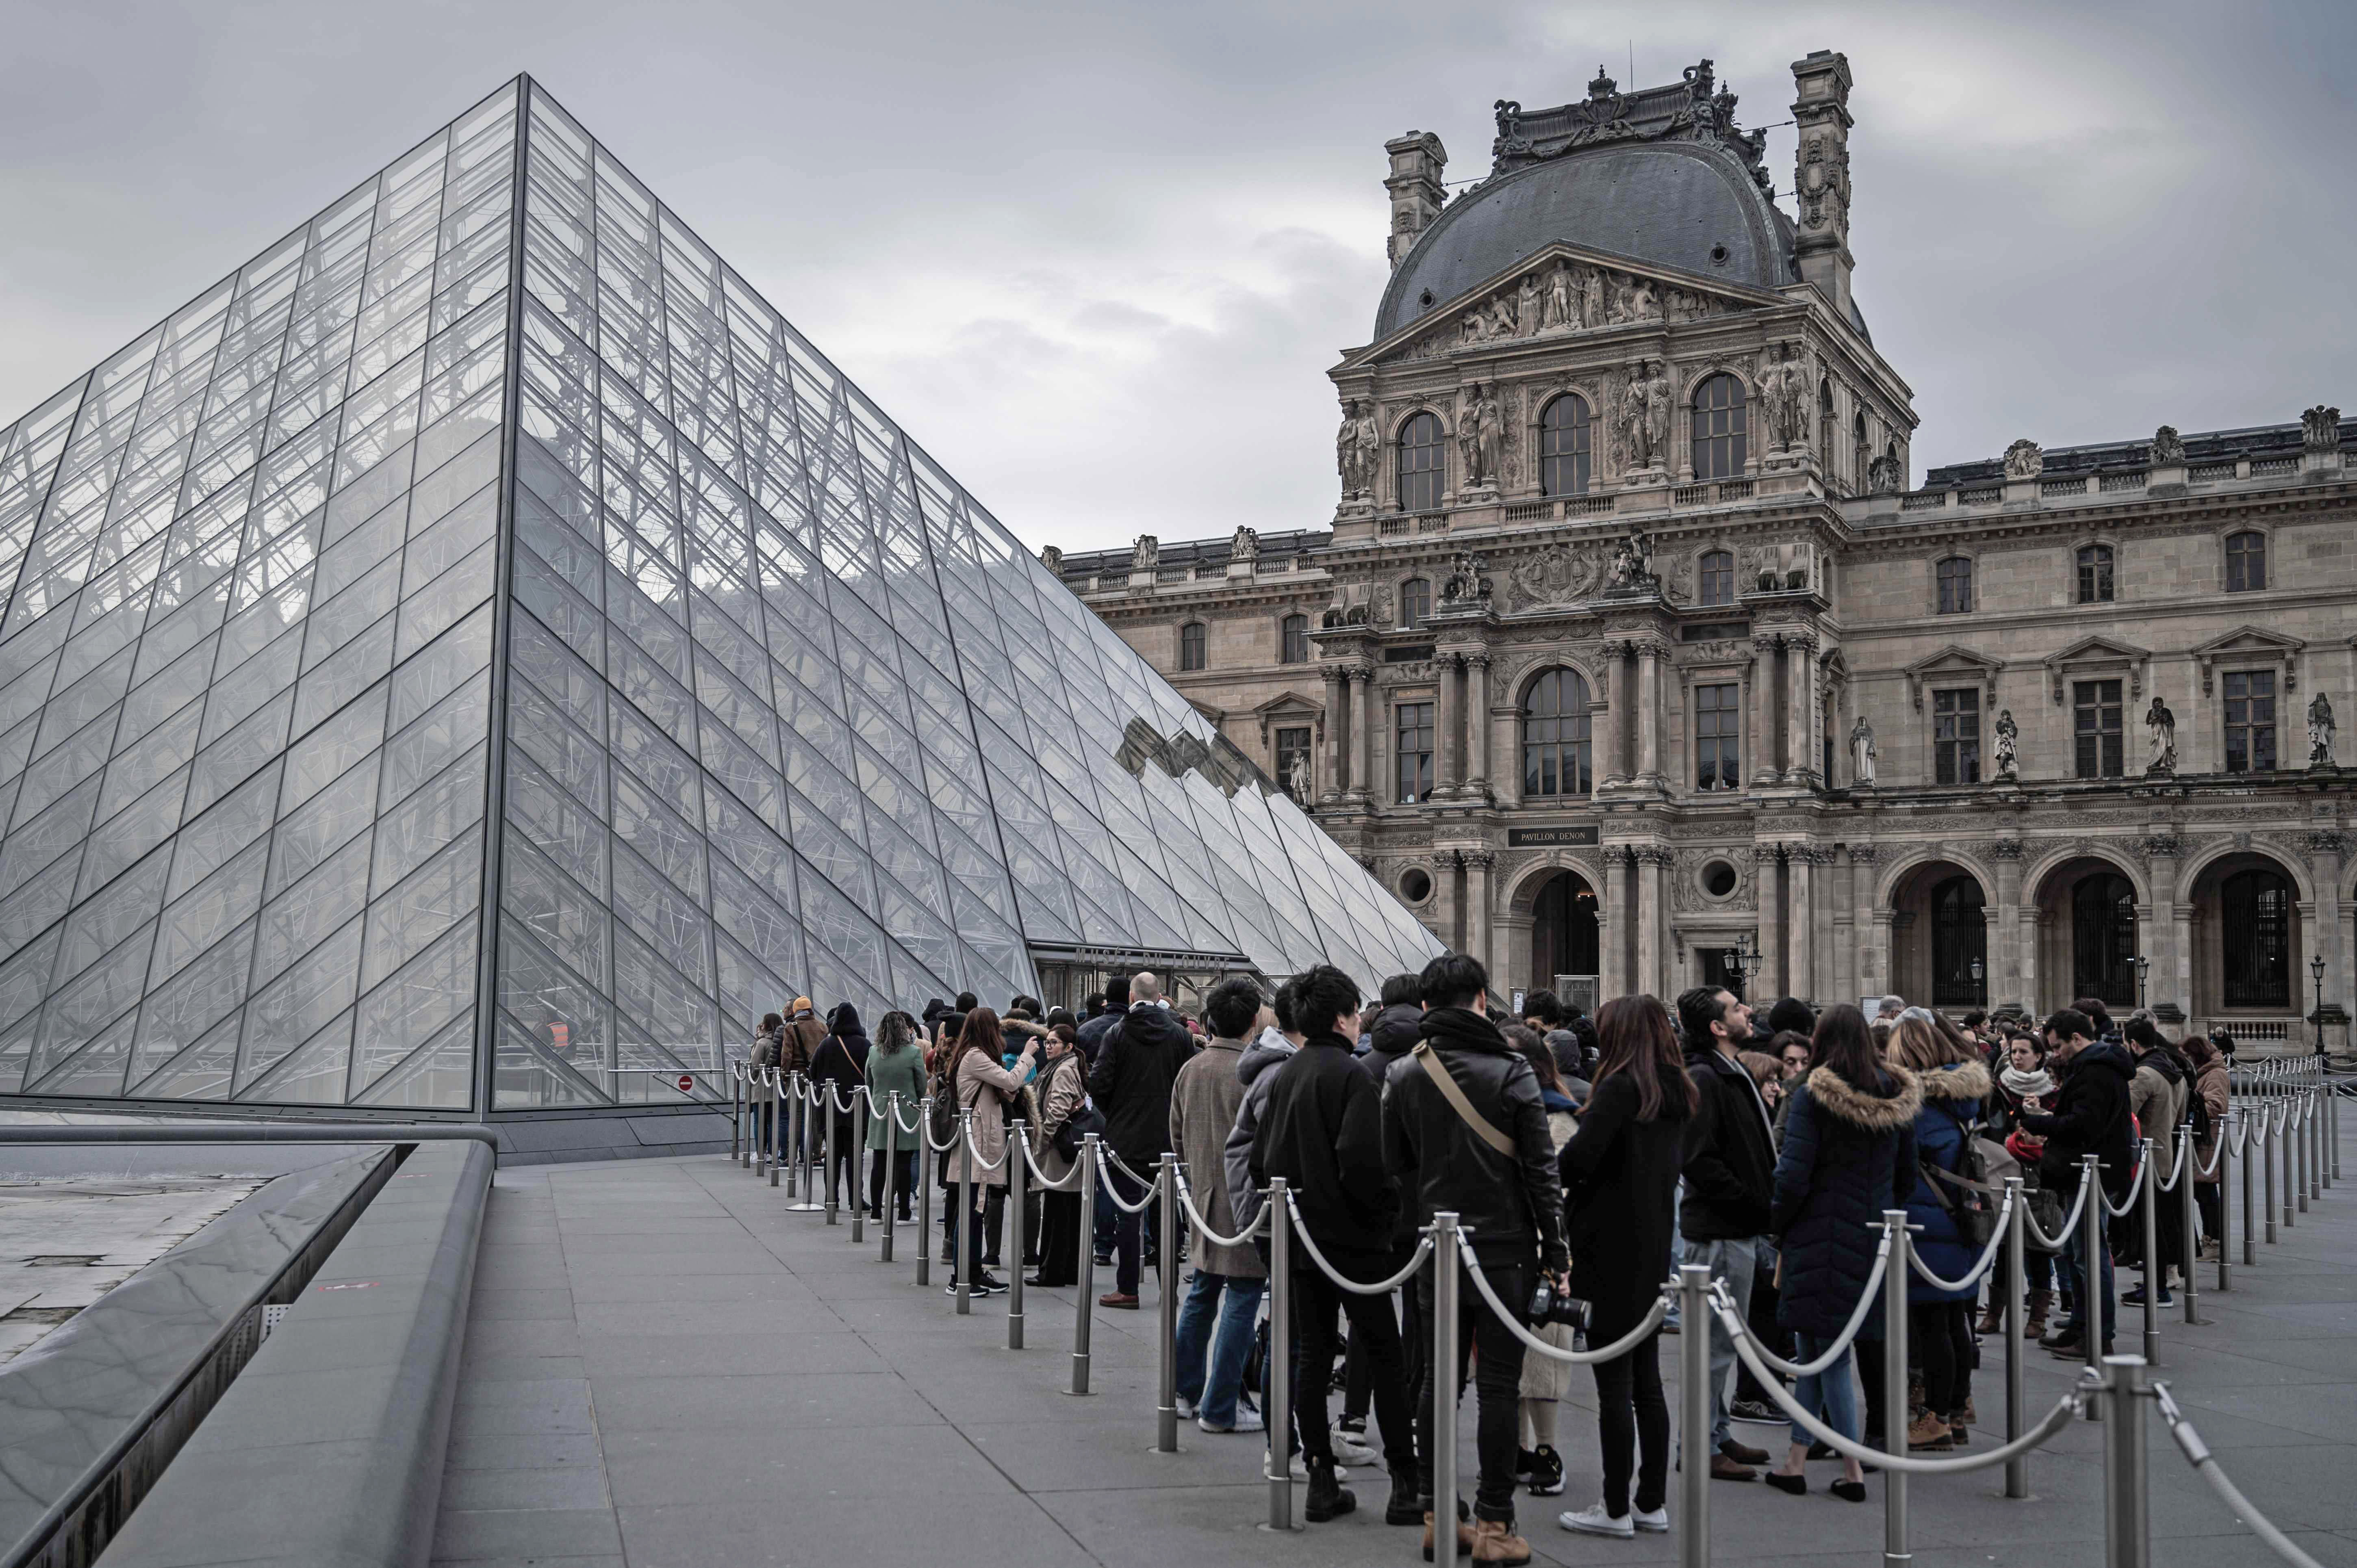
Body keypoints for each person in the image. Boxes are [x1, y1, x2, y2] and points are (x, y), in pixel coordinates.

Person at [1384, 952, 1567, 1565]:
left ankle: (1438, 1515)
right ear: (1483, 999)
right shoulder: (1513, 1070)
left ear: (1426, 1005)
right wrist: (1557, 1251)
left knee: (1439, 1383)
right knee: (1498, 1386)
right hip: (1504, 1249)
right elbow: (1541, 1172)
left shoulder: (1405, 1072)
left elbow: (1396, 1164)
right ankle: (1494, 1522)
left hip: (1436, 1244)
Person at [1253, 964, 1416, 1526]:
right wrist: (1386, 1214)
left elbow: (1261, 1161)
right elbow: (1364, 1162)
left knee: (1313, 1353)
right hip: (1353, 1240)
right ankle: (1405, 1481)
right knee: (1385, 1355)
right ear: (1345, 1018)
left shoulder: (1287, 1073)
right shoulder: (1352, 1076)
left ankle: (1320, 1475)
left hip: (1300, 1238)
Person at [1761, 1004, 1918, 1502]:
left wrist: (1777, 1223)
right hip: (1873, 1235)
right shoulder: (1897, 1095)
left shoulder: (1813, 1095)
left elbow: (1792, 1174)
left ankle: (1851, 1469)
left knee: (1826, 1355)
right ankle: (1795, 1460)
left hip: (1818, 1232)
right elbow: (1907, 1176)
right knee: (1813, 1350)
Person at [1554, 995, 1696, 1538]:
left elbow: (1579, 1160)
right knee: (1647, 1381)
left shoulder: (1619, 1088)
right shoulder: (1677, 1089)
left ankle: (1614, 1506)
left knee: (1612, 1383)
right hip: (1652, 1243)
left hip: (1605, 1243)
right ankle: (1650, 1499)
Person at [1673, 984, 1775, 1481]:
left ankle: (1716, 1432)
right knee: (1712, 1346)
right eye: (1736, 1007)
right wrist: (1751, 1200)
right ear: (1717, 1027)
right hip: (1719, 1229)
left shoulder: (1726, 1070)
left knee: (1721, 1343)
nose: (1748, 1009)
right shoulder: (1705, 1076)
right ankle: (1698, 1444)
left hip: (1734, 1224)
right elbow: (1698, 1159)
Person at [1168, 976, 1270, 1436]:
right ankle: (1222, 1403)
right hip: (1247, 1203)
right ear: (1253, 1022)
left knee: (1203, 1294)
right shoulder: (1254, 1072)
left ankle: (1184, 1391)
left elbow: (1175, 1135)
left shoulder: (1192, 1069)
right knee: (1244, 1297)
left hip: (1203, 1196)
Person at [1889, 1013, 1990, 1450]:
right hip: (1955, 1219)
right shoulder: (1958, 1098)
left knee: (1933, 1326)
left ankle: (1936, 1418)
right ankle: (1957, 1408)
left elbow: (1900, 1166)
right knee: (1952, 1321)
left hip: (1925, 1222)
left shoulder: (1917, 1106)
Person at [2016, 1007, 2135, 1357]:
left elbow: (2084, 1124)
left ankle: (2098, 1334)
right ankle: (2081, 1326)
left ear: (2078, 1039)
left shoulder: (2095, 1070)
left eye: (2058, 1046)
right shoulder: (2095, 1066)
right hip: (2086, 1171)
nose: (2056, 1053)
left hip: (2091, 1172)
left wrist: (2039, 1122)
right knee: (2076, 1252)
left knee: (2089, 1255)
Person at [1088, 971, 1197, 1309]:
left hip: (1126, 1141)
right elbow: (1188, 1085)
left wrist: (1117, 1113)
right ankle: (1170, 1289)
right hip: (1168, 1139)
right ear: (1160, 996)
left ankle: (1127, 1288)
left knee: (1128, 1215)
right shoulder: (1180, 1035)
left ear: (1132, 998)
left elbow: (1099, 1084)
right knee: (1167, 1217)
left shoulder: (1117, 1033)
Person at [1505, 1024, 1577, 1497]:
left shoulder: (1558, 1119)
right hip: (1505, 1245)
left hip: (1543, 1249)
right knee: (1506, 1362)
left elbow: (1557, 1193)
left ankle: (1547, 1450)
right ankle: (1516, 1448)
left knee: (1542, 1358)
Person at [944, 1006, 1037, 1296]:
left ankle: (972, 1272)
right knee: (972, 1210)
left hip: (980, 1140)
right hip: (979, 1142)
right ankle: (962, 1277)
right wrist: (1027, 1056)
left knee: (975, 1209)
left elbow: (1004, 1087)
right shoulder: (976, 1056)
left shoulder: (973, 1055)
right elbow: (1011, 1081)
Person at [1983, 1033, 2057, 1337]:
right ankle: (1993, 1314)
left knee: (2038, 1247)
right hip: (2007, 1168)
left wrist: (2039, 1114)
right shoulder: (2001, 1087)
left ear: (2038, 1056)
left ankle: (2037, 1318)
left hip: (2040, 1173)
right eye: (2014, 1051)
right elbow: (1992, 1127)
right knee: (2004, 1248)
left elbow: (2057, 1129)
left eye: (2024, 1052)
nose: (2017, 1057)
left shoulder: (2053, 1089)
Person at [2120, 1015, 2188, 1306]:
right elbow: (2181, 1117)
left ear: (2134, 1044)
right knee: (2160, 1221)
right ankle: (2157, 1281)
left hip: (2144, 1157)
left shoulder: (2144, 1075)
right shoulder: (2175, 1072)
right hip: (2166, 1154)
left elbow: (2126, 1114)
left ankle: (2157, 1288)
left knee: (2150, 1225)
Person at [1025, 1021, 1090, 1287]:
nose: (1048, 1047)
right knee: (1068, 1212)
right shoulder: (1068, 1065)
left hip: (1058, 1150)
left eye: (1054, 1042)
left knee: (1057, 1213)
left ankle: (1052, 1271)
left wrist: (1043, 1140)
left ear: (1068, 1046)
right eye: (1047, 1042)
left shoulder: (1062, 1070)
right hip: (1068, 1151)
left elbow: (1058, 1109)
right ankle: (1068, 1270)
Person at [864, 1011, 927, 1221]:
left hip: (881, 1111)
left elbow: (869, 1082)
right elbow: (921, 1084)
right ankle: (904, 1213)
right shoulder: (913, 1053)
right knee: (904, 1164)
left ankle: (876, 1212)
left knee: (879, 1163)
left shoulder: (874, 1051)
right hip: (906, 1113)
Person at [809, 1003, 872, 1211]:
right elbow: (871, 1076)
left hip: (831, 1110)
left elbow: (813, 1072)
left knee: (833, 1156)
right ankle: (856, 1199)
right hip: (857, 1110)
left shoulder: (826, 1045)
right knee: (855, 1156)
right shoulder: (865, 1045)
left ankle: (832, 1199)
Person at [2183, 1032, 2230, 1257]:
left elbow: (2217, 1105)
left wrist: (2189, 1108)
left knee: (2205, 1190)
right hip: (2200, 1138)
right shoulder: (2204, 1072)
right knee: (2201, 1190)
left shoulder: (2215, 1074)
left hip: (2206, 1139)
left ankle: (2214, 1241)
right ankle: (2210, 1239)